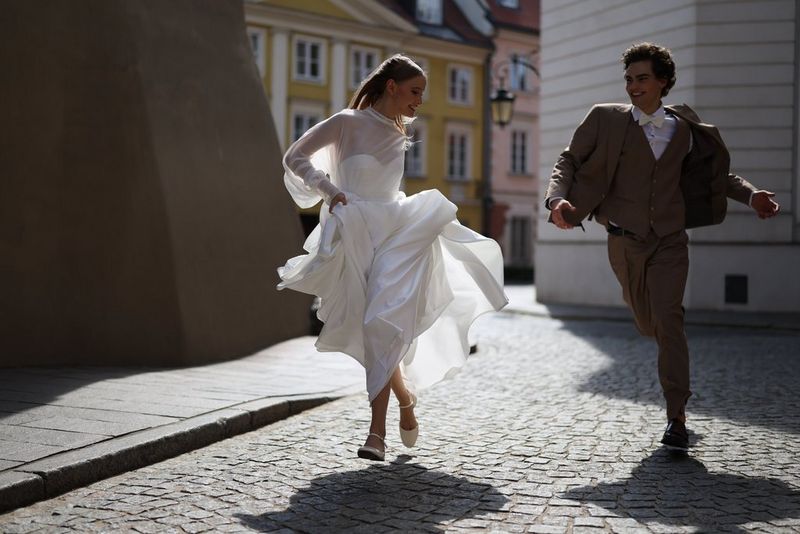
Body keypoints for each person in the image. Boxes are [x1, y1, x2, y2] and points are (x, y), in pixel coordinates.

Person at [544, 43, 780, 452]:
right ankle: (668, 366)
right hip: (624, 241)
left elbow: (716, 176)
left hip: (671, 239)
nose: (634, 87)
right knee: (647, 321)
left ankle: (677, 418)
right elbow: (567, 161)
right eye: (629, 80)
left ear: (664, 82)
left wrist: (752, 195)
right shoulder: (604, 119)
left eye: (642, 79)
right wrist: (556, 200)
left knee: (670, 322)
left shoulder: (684, 128)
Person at [277, 54, 508, 461]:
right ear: (391, 87)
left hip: (398, 233)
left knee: (379, 321)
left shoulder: (401, 132)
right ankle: (405, 399)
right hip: (355, 231)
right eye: (415, 92)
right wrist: (330, 191)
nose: (419, 101)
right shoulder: (346, 122)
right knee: (374, 329)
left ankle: (375, 434)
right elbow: (294, 157)